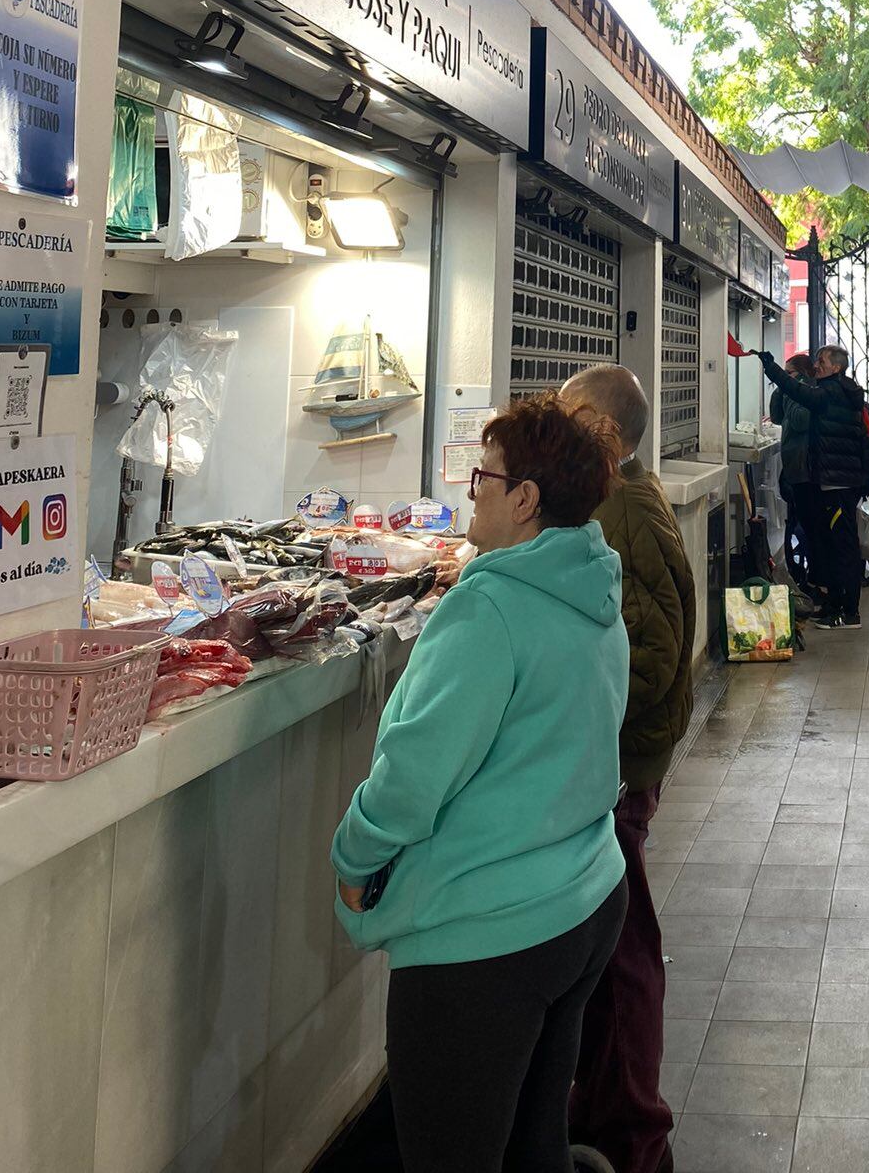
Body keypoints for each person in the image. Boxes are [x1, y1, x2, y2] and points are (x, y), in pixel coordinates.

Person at [331, 395, 630, 1173]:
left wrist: (354, 856)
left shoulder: (489, 608)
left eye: (482, 477)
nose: (474, 492)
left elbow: (411, 780)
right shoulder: (593, 586)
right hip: (585, 899)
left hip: (489, 937)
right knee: (535, 1148)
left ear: (525, 498)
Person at [560, 367, 695, 1173]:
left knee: (622, 953)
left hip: (619, 768)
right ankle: (605, 1108)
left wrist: (583, 712)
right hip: (626, 763)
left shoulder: (616, 510)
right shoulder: (626, 499)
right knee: (612, 950)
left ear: (595, 428)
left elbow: (651, 655)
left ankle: (636, 1131)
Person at [756, 342, 869, 629]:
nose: (816, 365)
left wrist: (773, 370)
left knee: (842, 545)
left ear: (836, 367)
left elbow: (799, 394)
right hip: (832, 480)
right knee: (832, 544)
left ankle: (848, 611)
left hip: (837, 481)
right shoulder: (838, 391)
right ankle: (833, 605)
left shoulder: (832, 392)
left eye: (821, 361)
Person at [770, 351, 821, 600]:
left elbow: (801, 421)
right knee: (799, 522)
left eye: (789, 373)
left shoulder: (808, 392)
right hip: (793, 467)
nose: (785, 377)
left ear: (801, 375)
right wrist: (782, 388)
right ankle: (807, 574)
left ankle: (814, 577)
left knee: (808, 526)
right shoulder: (792, 390)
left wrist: (790, 389)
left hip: (805, 469)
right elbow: (778, 417)